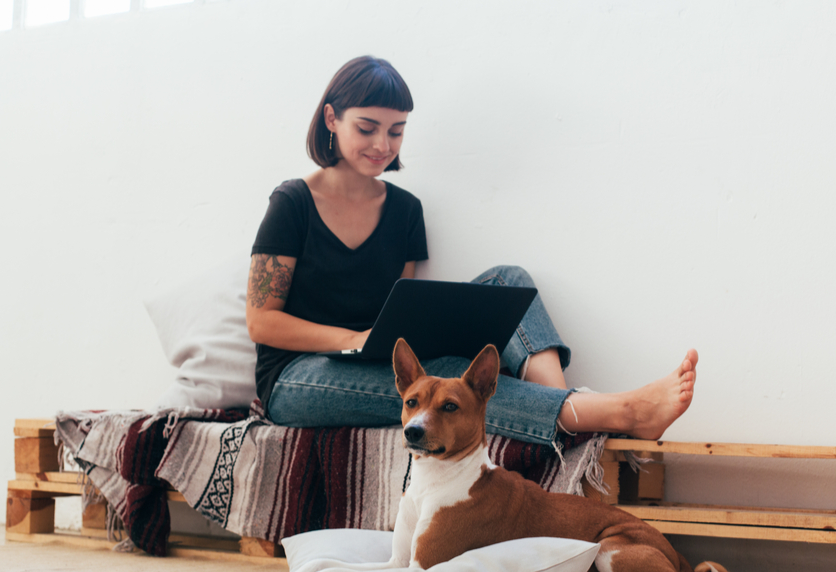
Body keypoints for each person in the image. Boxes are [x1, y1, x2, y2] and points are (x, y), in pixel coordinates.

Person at [246, 55, 697, 447]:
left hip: (376, 357)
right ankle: (618, 413)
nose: (383, 145)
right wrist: (351, 340)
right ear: (331, 120)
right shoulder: (293, 203)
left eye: (397, 132)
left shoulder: (404, 210)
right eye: (367, 128)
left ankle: (565, 412)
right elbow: (261, 321)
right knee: (447, 375)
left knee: (509, 279)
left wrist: (390, 337)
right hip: (295, 378)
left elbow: (398, 306)